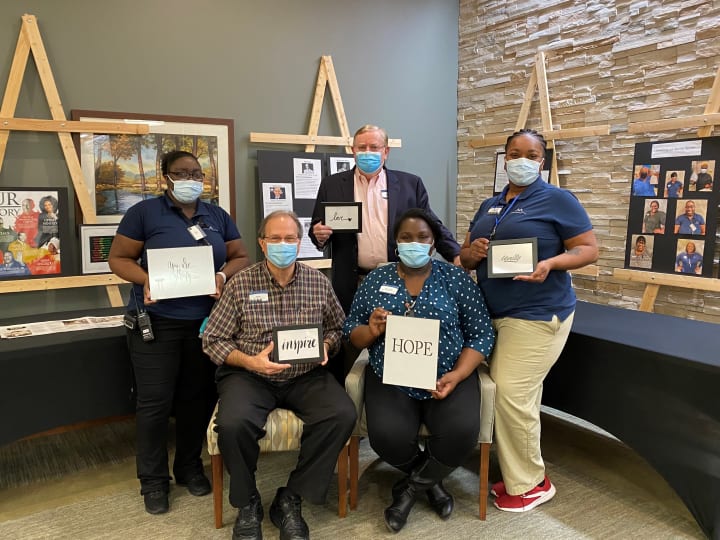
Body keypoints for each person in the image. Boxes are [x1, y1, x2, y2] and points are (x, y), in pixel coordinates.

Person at [460, 129, 598, 513]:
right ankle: (517, 467)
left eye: (531, 154)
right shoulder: (489, 204)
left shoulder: (558, 199)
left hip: (536, 314)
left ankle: (531, 483)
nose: (522, 160)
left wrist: (550, 264)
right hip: (491, 314)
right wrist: (471, 251)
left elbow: (588, 249)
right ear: (504, 158)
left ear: (542, 161)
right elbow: (466, 259)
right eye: (514, 153)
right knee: (513, 396)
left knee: (510, 392)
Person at [108, 150, 250, 515]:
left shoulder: (216, 215)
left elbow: (240, 256)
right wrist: (147, 279)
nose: (191, 179)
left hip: (206, 324)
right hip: (156, 323)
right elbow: (118, 259)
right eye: (182, 173)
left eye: (197, 173)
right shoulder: (144, 213)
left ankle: (188, 467)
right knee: (154, 404)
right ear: (165, 177)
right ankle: (153, 481)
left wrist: (221, 276)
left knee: (196, 398)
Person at [202, 210, 356, 540]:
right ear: (261, 243)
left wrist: (327, 345)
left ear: (300, 244)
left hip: (305, 375)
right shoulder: (241, 283)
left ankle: (291, 497)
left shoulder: (318, 282)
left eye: (290, 239)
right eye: (275, 238)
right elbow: (212, 339)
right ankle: (248, 503)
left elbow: (337, 327)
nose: (283, 244)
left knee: (342, 414)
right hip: (249, 375)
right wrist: (249, 362)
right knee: (233, 423)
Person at [344, 208, 495, 533]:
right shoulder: (376, 280)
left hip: (447, 376)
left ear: (433, 243)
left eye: (422, 237)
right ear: (396, 243)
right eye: (406, 237)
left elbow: (482, 333)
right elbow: (351, 329)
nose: (414, 243)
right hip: (391, 378)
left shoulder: (455, 279)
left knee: (461, 433)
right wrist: (371, 331)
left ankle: (409, 491)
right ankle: (433, 486)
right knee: (387, 436)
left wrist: (457, 375)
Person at [309, 125, 461, 380]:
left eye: (374, 147)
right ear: (353, 150)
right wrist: (319, 234)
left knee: (393, 338)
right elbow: (317, 228)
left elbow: (431, 225)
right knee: (350, 341)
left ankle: (391, 391)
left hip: (397, 278)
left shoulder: (410, 184)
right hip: (351, 280)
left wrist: (455, 255)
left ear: (386, 151)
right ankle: (347, 402)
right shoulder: (333, 184)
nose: (367, 152)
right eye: (362, 147)